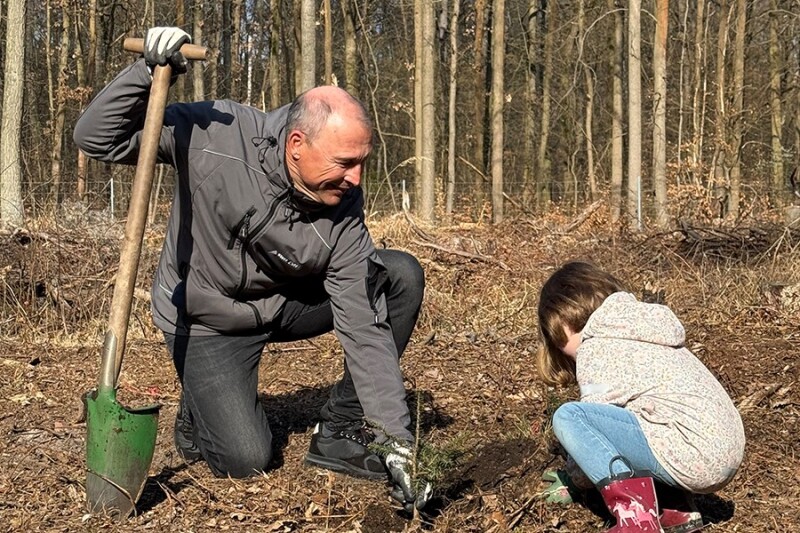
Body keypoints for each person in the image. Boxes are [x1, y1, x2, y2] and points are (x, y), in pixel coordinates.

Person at [73, 26, 431, 511]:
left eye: (363, 162)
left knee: (397, 276)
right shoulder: (215, 135)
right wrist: (146, 72)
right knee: (246, 459)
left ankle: (342, 433)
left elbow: (364, 327)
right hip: (207, 321)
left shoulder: (343, 203)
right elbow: (96, 138)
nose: (357, 178)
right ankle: (197, 414)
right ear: (297, 143)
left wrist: (395, 440)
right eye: (346, 162)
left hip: (284, 303)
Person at [536, 261, 745, 533]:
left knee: (569, 416)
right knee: (641, 414)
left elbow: (594, 429)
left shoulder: (595, 349)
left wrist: (574, 480)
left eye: (557, 341)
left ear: (563, 321)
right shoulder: (643, 328)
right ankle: (675, 507)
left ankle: (636, 518)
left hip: (692, 453)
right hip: (726, 447)